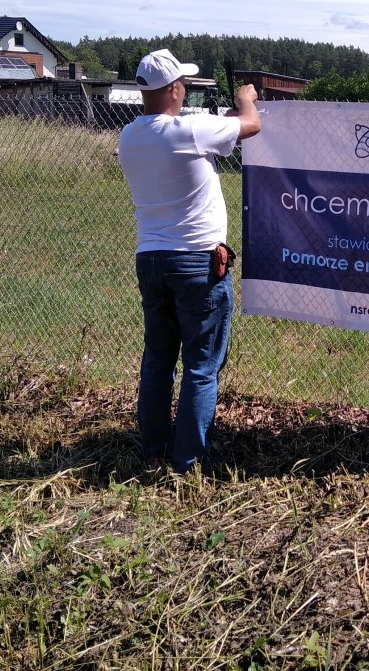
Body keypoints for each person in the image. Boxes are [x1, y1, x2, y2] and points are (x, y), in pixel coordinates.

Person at [118, 49, 261, 475]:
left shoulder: (129, 136)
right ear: (176, 89)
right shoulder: (191, 130)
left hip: (151, 259)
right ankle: (188, 461)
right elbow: (250, 125)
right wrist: (245, 98)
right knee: (201, 367)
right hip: (198, 261)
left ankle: (154, 450)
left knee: (159, 360)